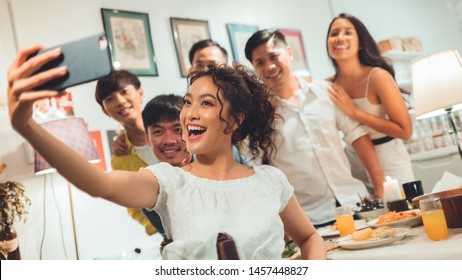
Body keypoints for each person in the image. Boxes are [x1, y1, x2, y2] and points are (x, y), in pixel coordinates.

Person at [7, 46, 326, 260]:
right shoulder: (167, 180)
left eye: (206, 103)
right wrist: (26, 125)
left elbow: (310, 237)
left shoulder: (271, 179)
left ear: (236, 119)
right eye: (188, 102)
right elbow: (99, 183)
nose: (190, 114)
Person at [245, 29, 384, 227]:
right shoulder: (259, 116)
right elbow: (261, 173)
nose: (270, 66)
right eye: (260, 62)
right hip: (309, 219)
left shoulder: (326, 92)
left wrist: (379, 187)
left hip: (356, 203)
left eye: (274, 56)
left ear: (290, 53)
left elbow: (357, 135)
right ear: (254, 68)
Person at [326, 13, 415, 189]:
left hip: (390, 157)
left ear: (360, 42)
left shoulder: (378, 77)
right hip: (354, 161)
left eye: (348, 33)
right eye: (334, 33)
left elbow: (405, 131)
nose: (340, 38)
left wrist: (355, 112)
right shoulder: (329, 85)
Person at [95, 69, 159, 236]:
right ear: (105, 111)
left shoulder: (175, 129)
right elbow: (134, 207)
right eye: (110, 99)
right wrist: (162, 229)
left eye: (124, 92)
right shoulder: (120, 158)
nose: (120, 101)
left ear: (140, 93)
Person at [139, 94, 190, 239]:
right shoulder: (152, 188)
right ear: (147, 138)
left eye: (177, 129)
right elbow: (172, 239)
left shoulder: (222, 158)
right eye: (158, 132)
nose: (169, 140)